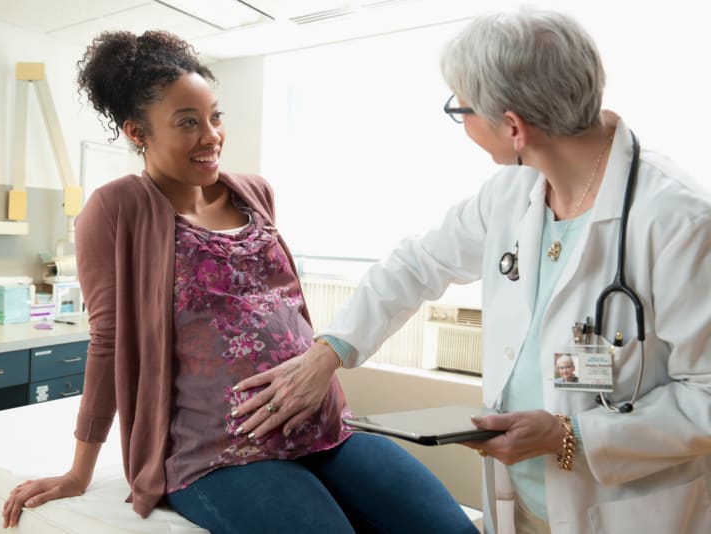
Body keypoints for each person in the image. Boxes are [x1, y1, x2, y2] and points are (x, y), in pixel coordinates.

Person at [231, 8, 711, 533]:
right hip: (522, 501)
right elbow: (417, 263)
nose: (462, 123)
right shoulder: (513, 191)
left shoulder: (677, 219)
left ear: (513, 126)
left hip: (630, 511)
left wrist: (567, 434)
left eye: (460, 108)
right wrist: (330, 351)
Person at [0, 30, 477, 534]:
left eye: (215, 116)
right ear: (138, 133)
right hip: (220, 451)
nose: (211, 135)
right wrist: (81, 470)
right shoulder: (117, 209)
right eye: (188, 122)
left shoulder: (255, 192)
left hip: (326, 429)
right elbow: (109, 341)